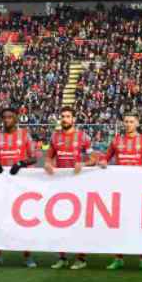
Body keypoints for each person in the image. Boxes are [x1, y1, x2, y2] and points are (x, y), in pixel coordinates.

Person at [99, 112, 142, 271]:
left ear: (137, 123)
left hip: (140, 189)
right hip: (120, 189)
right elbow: (105, 157)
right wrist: (104, 161)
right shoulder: (116, 140)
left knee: (141, 224)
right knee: (119, 223)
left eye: (131, 121)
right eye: (126, 121)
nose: (128, 124)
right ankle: (118, 258)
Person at [0, 107, 38, 268]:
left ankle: (28, 256)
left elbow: (34, 157)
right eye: (4, 117)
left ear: (16, 118)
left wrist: (21, 163)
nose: (7, 120)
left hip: (20, 185)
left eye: (10, 117)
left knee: (23, 220)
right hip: (2, 184)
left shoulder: (24, 135)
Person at [44, 107, 95, 270]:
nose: (65, 119)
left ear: (73, 119)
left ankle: (81, 258)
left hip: (79, 185)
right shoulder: (55, 137)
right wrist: (47, 164)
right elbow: (49, 157)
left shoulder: (83, 137)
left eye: (68, 116)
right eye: (63, 117)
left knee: (79, 222)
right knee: (60, 221)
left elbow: (93, 159)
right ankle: (62, 257)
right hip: (60, 186)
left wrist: (84, 164)